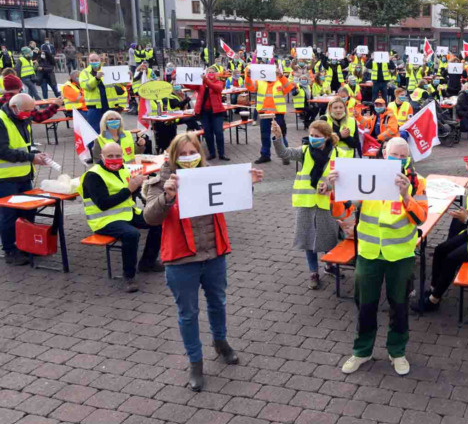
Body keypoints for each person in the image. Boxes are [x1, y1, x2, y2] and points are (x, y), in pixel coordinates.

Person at [145, 133, 263, 391]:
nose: (188, 158)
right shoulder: (162, 181)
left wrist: (248, 184)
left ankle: (220, 342)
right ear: (173, 156)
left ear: (200, 153)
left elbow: (235, 197)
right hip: (181, 259)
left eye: (193, 152)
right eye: (183, 154)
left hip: (213, 253)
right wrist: (167, 197)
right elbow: (150, 218)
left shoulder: (213, 176)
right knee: (188, 313)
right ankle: (195, 362)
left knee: (218, 302)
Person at [333, 138, 428, 376]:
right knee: (365, 304)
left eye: (402, 155)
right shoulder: (367, 176)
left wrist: (407, 196)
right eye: (393, 154)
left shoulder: (417, 182)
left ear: (408, 158)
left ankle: (397, 352)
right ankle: (362, 351)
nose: (397, 159)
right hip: (369, 252)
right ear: (383, 154)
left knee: (399, 305)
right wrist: (335, 192)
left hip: (400, 254)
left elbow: (421, 218)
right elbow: (343, 210)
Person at [77, 142, 163, 292]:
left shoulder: (124, 169)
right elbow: (103, 204)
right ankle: (129, 276)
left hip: (127, 213)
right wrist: (129, 189)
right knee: (131, 234)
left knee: (157, 220)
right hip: (104, 220)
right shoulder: (93, 176)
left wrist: (144, 185)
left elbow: (131, 195)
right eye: (110, 156)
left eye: (118, 156)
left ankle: (147, 262)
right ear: (102, 157)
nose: (115, 159)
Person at [273, 118, 346, 290]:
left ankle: (329, 264)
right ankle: (313, 272)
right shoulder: (305, 151)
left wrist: (328, 185)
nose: (313, 138)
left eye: (317, 136)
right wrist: (278, 137)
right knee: (308, 240)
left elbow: (344, 177)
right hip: (305, 202)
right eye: (311, 135)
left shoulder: (338, 154)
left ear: (327, 137)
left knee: (329, 237)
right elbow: (284, 153)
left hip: (325, 203)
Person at [414, 164, 468, 313]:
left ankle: (434, 299)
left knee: (450, 259)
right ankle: (433, 288)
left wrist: (466, 219)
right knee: (440, 250)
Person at [0, 94, 54, 265]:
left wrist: (36, 154)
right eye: (26, 111)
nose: (30, 114)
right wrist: (30, 157)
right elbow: (3, 151)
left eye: (31, 111)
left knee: (28, 211)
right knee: (9, 215)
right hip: (5, 178)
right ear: (14, 107)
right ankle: (10, 250)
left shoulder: (23, 118)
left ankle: (27, 245)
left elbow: (26, 145)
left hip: (24, 175)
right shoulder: (1, 121)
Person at [247, 64, 295, 165]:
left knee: (281, 135)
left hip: (278, 114)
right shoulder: (259, 81)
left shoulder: (280, 81)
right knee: (264, 135)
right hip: (264, 113)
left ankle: (285, 155)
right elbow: (250, 87)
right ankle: (265, 155)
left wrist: (281, 76)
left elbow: (289, 88)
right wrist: (248, 76)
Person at [188, 67, 229, 161]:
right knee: (208, 133)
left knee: (218, 132)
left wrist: (205, 80)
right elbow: (190, 86)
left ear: (216, 74)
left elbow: (217, 89)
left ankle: (221, 154)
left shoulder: (219, 82)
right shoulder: (201, 83)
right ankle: (212, 153)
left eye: (212, 72)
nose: (211, 74)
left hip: (217, 112)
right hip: (204, 112)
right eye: (209, 72)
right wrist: (182, 80)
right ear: (206, 73)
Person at [79, 52, 120, 137]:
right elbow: (86, 86)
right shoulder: (84, 72)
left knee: (111, 129)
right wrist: (96, 78)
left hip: (108, 105)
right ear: (88, 61)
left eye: (96, 60)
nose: (94, 62)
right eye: (92, 60)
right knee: (94, 130)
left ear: (100, 60)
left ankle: (111, 148)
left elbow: (118, 83)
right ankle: (96, 148)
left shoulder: (107, 71)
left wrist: (127, 77)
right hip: (94, 107)